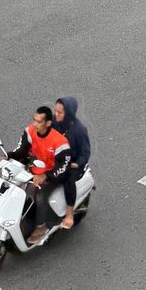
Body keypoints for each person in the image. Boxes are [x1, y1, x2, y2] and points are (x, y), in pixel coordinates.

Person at [5, 106, 71, 245]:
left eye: (39, 121)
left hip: (54, 176)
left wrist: (46, 176)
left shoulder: (60, 142)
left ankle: (41, 227)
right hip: (34, 172)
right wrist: (8, 156)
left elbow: (63, 167)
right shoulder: (30, 131)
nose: (34, 124)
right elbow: (21, 150)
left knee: (40, 196)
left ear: (48, 123)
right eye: (34, 120)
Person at [52, 96, 90, 229]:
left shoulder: (79, 130)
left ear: (68, 113)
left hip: (71, 163)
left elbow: (85, 153)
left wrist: (76, 164)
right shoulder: (54, 121)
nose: (56, 114)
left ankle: (69, 214)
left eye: (60, 112)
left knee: (68, 179)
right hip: (54, 157)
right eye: (55, 111)